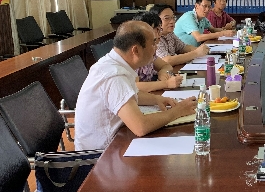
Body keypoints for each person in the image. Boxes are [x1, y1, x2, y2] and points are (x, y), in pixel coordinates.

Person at [74, 20, 197, 150]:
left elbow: (132, 94)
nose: (156, 47)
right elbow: (141, 127)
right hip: (99, 155)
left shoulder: (114, 62)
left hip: (116, 140)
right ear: (136, 50)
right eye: (153, 43)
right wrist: (177, 111)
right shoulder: (114, 76)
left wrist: (156, 99)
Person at [133, 12, 183, 92]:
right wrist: (166, 84)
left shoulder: (150, 48)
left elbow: (166, 66)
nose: (160, 33)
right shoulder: (134, 52)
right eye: (156, 30)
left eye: (160, 29)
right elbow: (134, 86)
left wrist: (162, 72)